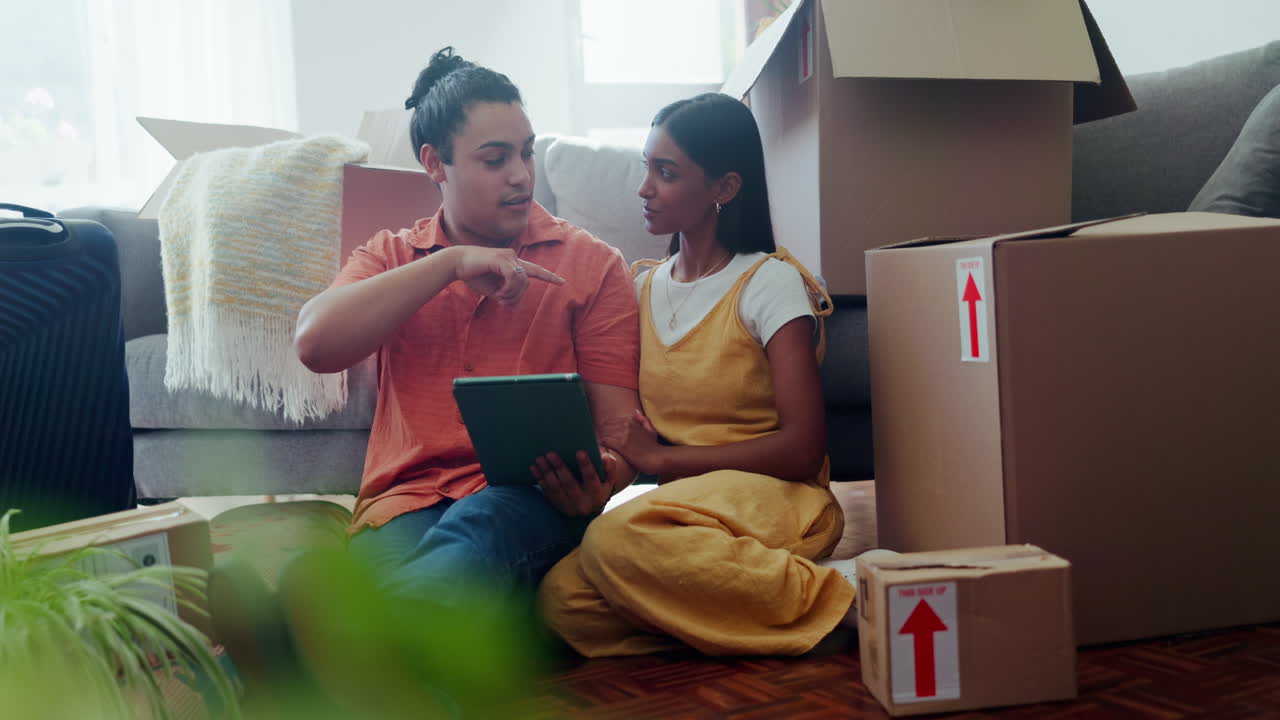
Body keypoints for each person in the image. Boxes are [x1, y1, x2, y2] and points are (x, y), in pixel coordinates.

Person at [210, 47, 642, 701]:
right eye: (495, 159)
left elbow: (620, 441)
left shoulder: (593, 266)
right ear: (434, 164)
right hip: (402, 509)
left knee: (485, 522)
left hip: (532, 503)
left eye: (525, 153)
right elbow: (314, 341)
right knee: (409, 569)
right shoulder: (392, 256)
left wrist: (600, 479)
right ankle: (354, 661)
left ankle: (297, 653)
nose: (521, 176)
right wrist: (450, 264)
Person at [536, 93, 862, 657]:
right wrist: (601, 475)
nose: (644, 188)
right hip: (684, 513)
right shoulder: (639, 288)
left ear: (724, 189)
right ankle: (732, 610)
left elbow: (803, 449)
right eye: (647, 168)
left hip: (780, 497)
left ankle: (850, 598)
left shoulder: (770, 284)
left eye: (666, 173)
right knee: (561, 602)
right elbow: (630, 434)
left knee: (617, 542)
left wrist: (662, 461)